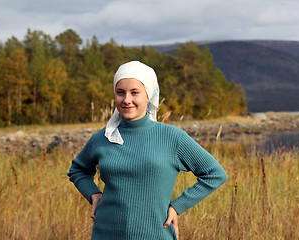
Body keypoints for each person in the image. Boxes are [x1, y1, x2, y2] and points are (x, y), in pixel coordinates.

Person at [67, 61, 227, 240]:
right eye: (120, 93)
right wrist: (94, 194)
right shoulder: (102, 138)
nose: (126, 99)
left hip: (155, 234)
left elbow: (215, 174)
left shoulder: (172, 137)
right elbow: (78, 169)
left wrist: (178, 206)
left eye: (135, 92)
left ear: (148, 95)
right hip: (105, 233)